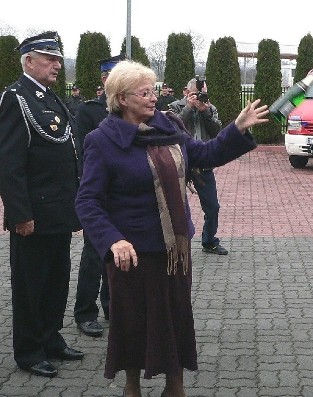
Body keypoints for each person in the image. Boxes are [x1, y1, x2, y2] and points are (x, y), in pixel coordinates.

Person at [75, 60, 269, 397]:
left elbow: (206, 154)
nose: (153, 98)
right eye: (145, 92)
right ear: (122, 99)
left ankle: (174, 386)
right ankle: (131, 386)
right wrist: (113, 240)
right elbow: (88, 201)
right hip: (131, 254)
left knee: (175, 318)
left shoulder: (169, 128)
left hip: (173, 250)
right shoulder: (101, 140)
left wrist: (236, 129)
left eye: (153, 90)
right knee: (133, 322)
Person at [0, 31, 84, 378]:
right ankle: (29, 350)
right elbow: (9, 163)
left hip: (58, 211)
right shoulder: (15, 99)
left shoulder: (50, 98)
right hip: (33, 214)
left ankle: (51, 338)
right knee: (30, 285)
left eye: (58, 58)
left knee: (56, 280)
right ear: (29, 61)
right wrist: (20, 214)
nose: (57, 64)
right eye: (49, 58)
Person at [72, 54, 125, 338]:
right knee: (94, 255)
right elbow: (82, 155)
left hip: (123, 196)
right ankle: (85, 312)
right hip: (99, 195)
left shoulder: (129, 109)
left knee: (118, 255)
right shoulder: (89, 111)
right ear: (105, 79)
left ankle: (111, 306)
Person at [168, 78, 227, 255]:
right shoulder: (174, 106)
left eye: (203, 93)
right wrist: (189, 108)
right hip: (179, 163)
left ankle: (209, 241)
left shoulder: (210, 108)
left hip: (202, 164)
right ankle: (173, 243)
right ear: (186, 92)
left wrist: (205, 112)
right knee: (174, 206)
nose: (201, 97)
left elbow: (217, 132)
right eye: (196, 93)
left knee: (213, 207)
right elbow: (172, 129)